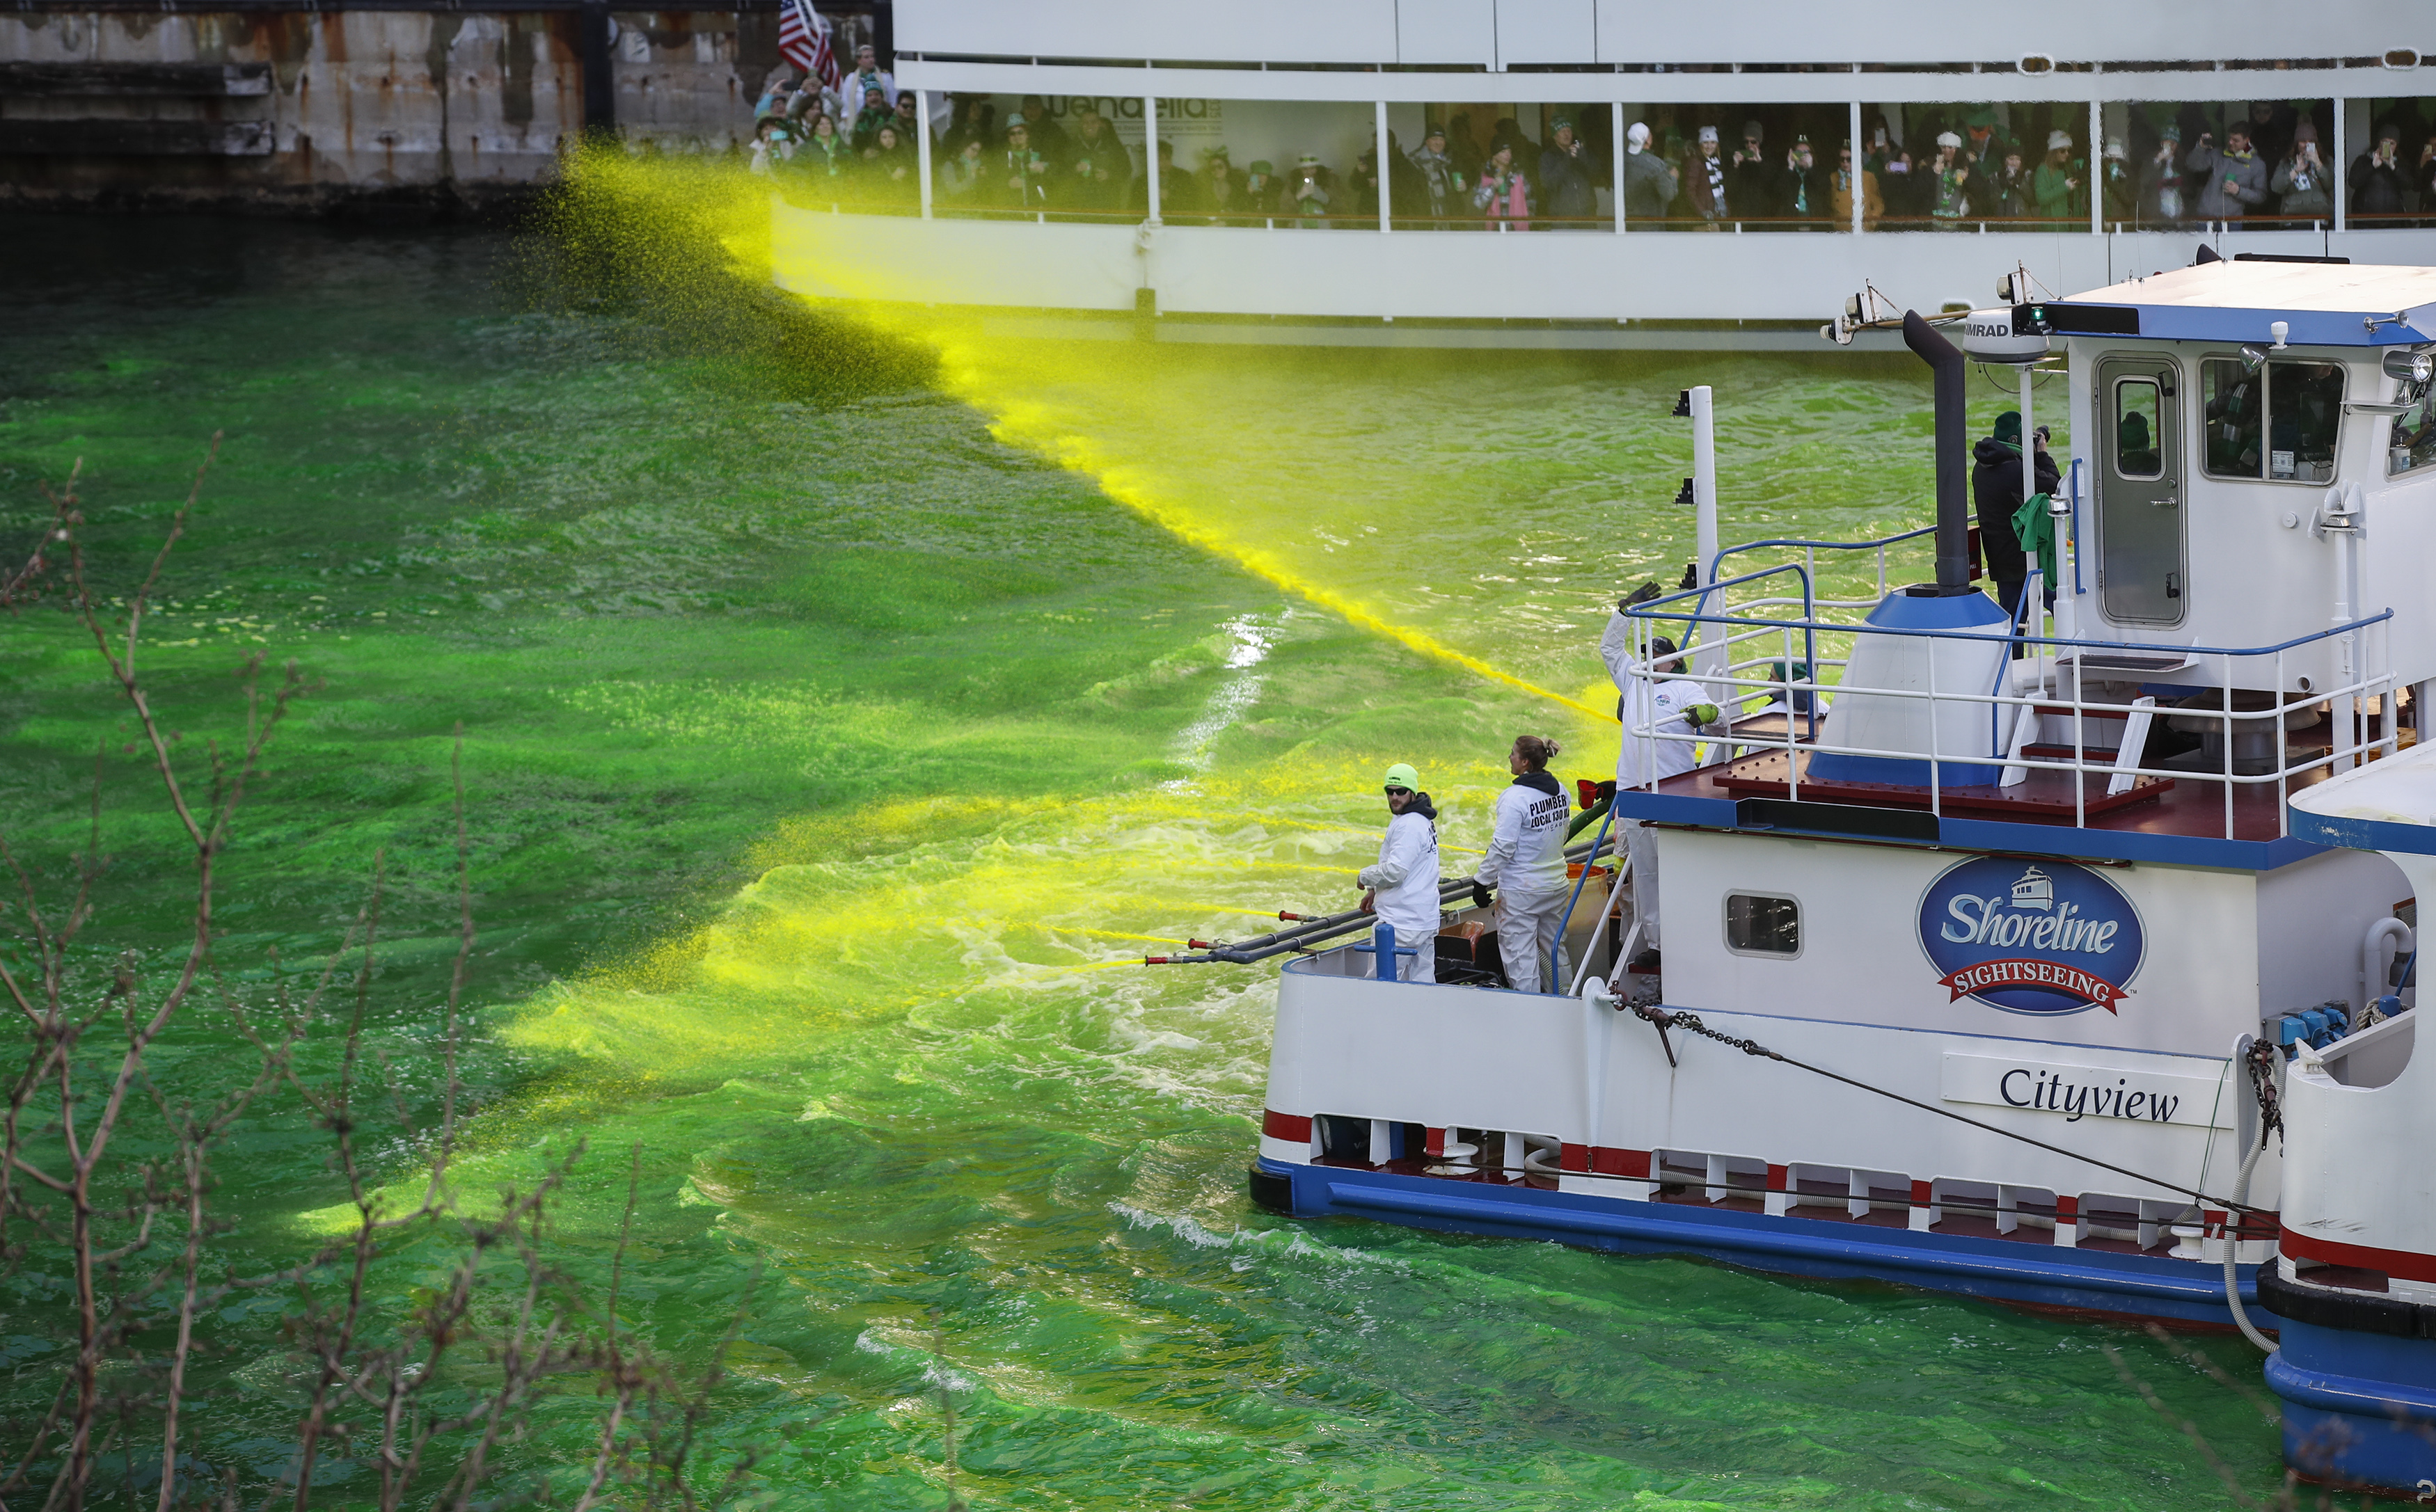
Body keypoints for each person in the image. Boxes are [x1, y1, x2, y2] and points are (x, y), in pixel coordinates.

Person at [1597, 619, 1720, 966]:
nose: (1648, 659)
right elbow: (1608, 649)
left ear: (1673, 661)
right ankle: (1658, 945)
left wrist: (1708, 714)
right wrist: (1622, 615)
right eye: (1645, 653)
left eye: (1656, 654)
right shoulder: (1632, 682)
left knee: (1677, 869)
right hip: (1634, 793)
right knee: (1647, 873)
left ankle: (1689, 937)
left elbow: (1719, 721)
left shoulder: (1685, 688)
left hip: (1673, 792)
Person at [1474, 735, 1572, 994]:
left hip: (1522, 892)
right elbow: (1563, 834)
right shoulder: (1562, 791)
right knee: (1555, 951)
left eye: (1513, 753)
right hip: (1556, 886)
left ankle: (1530, 1014)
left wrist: (1481, 881)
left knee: (1521, 960)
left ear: (1525, 762)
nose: (1510, 757)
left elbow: (1503, 846)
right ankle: (1566, 1000)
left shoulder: (1514, 798)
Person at [1971, 411, 2062, 637]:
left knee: (2013, 622)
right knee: (2060, 605)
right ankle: (2071, 655)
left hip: (2000, 557)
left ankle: (2012, 667)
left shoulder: (1981, 467)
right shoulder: (2015, 470)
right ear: (2014, 440)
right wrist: (2041, 454)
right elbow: (2055, 485)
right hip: (2027, 556)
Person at [1356, 763, 1440, 983]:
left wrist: (1364, 876)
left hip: (1402, 924)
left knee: (1381, 987)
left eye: (1400, 791)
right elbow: (1412, 867)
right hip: (1424, 919)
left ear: (1412, 791)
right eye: (1389, 791)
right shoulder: (1421, 818)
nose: (1394, 796)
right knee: (1422, 984)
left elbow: (1396, 872)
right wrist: (1375, 891)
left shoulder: (1409, 825)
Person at [2187, 122, 2266, 225]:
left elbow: (2261, 196)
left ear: (2247, 140)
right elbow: (2192, 166)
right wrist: (2200, 147)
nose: (2230, 142)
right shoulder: (2218, 154)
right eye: (2230, 138)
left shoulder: (2257, 164)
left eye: (2235, 140)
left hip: (2232, 221)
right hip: (2205, 217)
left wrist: (2239, 191)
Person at [1063, 105, 1132, 216]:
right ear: (1081, 124)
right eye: (1085, 122)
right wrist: (1075, 169)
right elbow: (1061, 172)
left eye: (1093, 122)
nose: (1089, 126)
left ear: (1099, 123)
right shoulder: (1072, 145)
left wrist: (1109, 175)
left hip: (1107, 204)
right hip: (1079, 205)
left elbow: (1127, 169)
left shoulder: (1111, 143)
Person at [1538, 115, 1600, 228]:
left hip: (1587, 214)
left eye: (1569, 130)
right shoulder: (1547, 157)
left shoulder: (1581, 152)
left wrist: (1584, 157)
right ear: (1555, 136)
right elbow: (1548, 183)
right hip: (1562, 217)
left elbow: (1597, 174)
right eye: (1562, 131)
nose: (1567, 134)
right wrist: (1566, 159)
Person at [2271, 120, 2333, 223]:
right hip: (2292, 220)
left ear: (2316, 143)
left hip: (2321, 218)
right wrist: (2296, 171)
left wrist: (2318, 164)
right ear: (2296, 144)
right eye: (2303, 141)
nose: (2306, 145)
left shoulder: (2326, 160)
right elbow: (2276, 187)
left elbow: (2330, 185)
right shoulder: (2286, 162)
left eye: (2311, 141)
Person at [1620, 121, 1679, 225]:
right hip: (1651, 223)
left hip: (1627, 220)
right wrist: (1672, 177)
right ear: (1648, 140)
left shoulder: (1621, 159)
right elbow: (1668, 194)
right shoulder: (1655, 166)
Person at [2350, 124, 2412, 221]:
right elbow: (2353, 182)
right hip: (2366, 221)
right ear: (2379, 142)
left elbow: (2408, 185)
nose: (2388, 146)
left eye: (2392, 143)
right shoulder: (2364, 160)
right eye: (2385, 142)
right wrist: (2372, 166)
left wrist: (2393, 167)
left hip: (2393, 221)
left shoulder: (2400, 164)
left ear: (2397, 146)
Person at [990, 116, 1052, 212]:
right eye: (1012, 134)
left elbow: (1058, 176)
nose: (1017, 136)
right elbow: (992, 184)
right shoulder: (1000, 159)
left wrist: (1044, 170)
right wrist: (1008, 184)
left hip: (1038, 211)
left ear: (1027, 134)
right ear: (1008, 137)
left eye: (1020, 132)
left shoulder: (1040, 154)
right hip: (1011, 214)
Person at [1408, 124, 1466, 225]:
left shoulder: (1452, 160)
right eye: (1434, 139)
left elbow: (1466, 177)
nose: (1438, 143)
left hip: (1452, 219)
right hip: (1425, 220)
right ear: (1427, 141)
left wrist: (1465, 185)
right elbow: (1411, 194)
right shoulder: (1414, 162)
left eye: (1441, 139)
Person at [1772, 133, 1824, 228]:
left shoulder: (1819, 171)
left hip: (1815, 224)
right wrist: (1790, 167)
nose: (1802, 156)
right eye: (1798, 153)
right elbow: (1777, 192)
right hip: (1791, 225)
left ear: (1812, 155)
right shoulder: (1788, 172)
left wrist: (1811, 168)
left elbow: (1824, 187)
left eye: (1806, 153)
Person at [1475, 141, 1530, 230]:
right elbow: (1479, 204)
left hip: (1518, 229)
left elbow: (1530, 198)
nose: (1508, 155)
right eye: (1503, 152)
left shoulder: (1518, 174)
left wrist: (1529, 220)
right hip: (1495, 229)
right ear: (1495, 155)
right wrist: (1492, 187)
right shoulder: (1486, 176)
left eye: (1509, 151)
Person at [2032, 129, 2084, 222]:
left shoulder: (2069, 169)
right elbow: (2041, 198)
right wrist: (2064, 187)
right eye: (2063, 151)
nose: (2067, 154)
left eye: (2069, 150)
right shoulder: (2043, 170)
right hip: (2053, 227)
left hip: (2073, 224)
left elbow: (2079, 197)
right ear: (2054, 151)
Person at [1925, 130, 1975, 228]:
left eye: (1951, 148)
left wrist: (1967, 178)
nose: (1947, 151)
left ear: (1957, 150)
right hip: (1936, 219)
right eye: (1944, 147)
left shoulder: (1967, 167)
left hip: (1960, 220)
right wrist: (1934, 173)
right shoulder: (1931, 165)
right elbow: (1923, 190)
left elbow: (1978, 189)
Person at [1828, 139, 1881, 230]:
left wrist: (1871, 223)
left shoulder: (1868, 177)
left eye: (1849, 159)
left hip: (1863, 230)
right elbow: (1829, 205)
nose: (1845, 162)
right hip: (1840, 232)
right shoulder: (1833, 177)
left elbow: (1878, 205)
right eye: (1842, 159)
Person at [1685, 124, 1729, 228]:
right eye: (1706, 143)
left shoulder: (1716, 162)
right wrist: (1703, 212)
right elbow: (1689, 190)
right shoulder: (1695, 162)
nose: (1710, 146)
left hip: (1718, 214)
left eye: (1713, 142)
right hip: (1706, 217)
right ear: (1700, 144)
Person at [2142, 123, 2185, 225]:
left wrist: (2178, 183)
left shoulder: (2181, 161)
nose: (2171, 147)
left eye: (2174, 143)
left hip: (2178, 212)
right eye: (2168, 143)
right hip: (2157, 213)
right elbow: (2144, 182)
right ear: (2162, 143)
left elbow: (2190, 188)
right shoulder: (2152, 160)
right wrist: (2158, 161)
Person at [1729, 119, 1771, 221]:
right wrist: (1735, 165)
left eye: (1753, 142)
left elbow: (1773, 184)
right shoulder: (1740, 160)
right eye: (1746, 142)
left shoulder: (1768, 158)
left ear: (1759, 142)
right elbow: (1731, 188)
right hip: (1742, 213)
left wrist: (1759, 161)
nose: (1749, 145)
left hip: (1763, 214)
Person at [936, 135, 987, 211]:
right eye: (973, 149)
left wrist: (985, 177)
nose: (975, 154)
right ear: (965, 147)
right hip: (955, 210)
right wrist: (972, 176)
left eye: (978, 151)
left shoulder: (978, 165)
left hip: (975, 210)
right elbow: (953, 190)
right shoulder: (951, 165)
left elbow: (983, 193)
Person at [845, 43, 894, 120]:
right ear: (859, 61)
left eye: (872, 56)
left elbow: (893, 101)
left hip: (883, 120)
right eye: (867, 57)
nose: (871, 60)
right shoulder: (851, 78)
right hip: (858, 121)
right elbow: (846, 104)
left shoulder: (886, 77)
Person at [1287, 152, 1331, 227]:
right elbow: (1285, 207)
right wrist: (1298, 197)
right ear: (1300, 171)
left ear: (1317, 169)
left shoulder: (1328, 182)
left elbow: (1337, 205)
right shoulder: (1292, 183)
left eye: (1312, 168)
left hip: (1322, 223)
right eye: (1305, 169)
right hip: (1300, 223)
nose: (1309, 172)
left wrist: (1319, 194)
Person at [2100, 138, 2136, 226]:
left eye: (2118, 161)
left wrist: (2116, 181)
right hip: (2102, 226)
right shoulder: (2099, 179)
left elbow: (2129, 200)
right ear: (2105, 162)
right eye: (2110, 160)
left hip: (2122, 225)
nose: (2114, 163)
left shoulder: (2127, 177)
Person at [848, 85, 893, 152]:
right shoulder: (861, 117)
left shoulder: (890, 114)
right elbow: (856, 141)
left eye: (877, 94)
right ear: (866, 100)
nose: (874, 98)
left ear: (882, 97)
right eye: (870, 95)